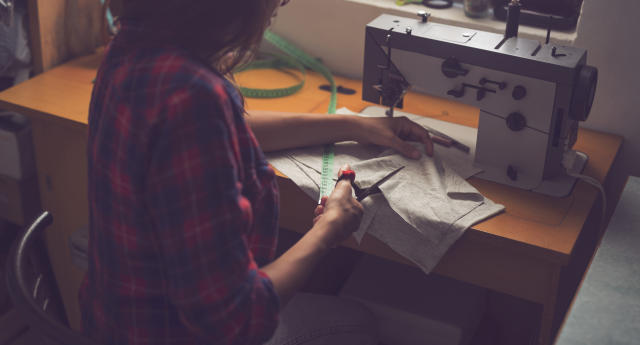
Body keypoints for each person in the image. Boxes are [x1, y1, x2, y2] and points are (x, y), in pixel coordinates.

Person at [80, 1, 433, 344]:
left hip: (119, 319)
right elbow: (237, 322)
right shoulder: (194, 100)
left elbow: (230, 129)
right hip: (176, 333)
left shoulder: (135, 46)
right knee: (356, 321)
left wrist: (352, 125)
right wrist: (328, 229)